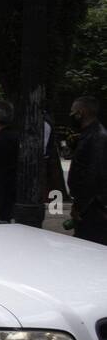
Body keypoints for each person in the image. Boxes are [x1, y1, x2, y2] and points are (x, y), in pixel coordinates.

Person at [67, 95, 107, 245]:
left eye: (73, 111)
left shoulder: (97, 137)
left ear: (81, 112)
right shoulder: (89, 135)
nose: (71, 115)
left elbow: (94, 176)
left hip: (92, 209)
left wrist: (79, 206)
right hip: (88, 206)